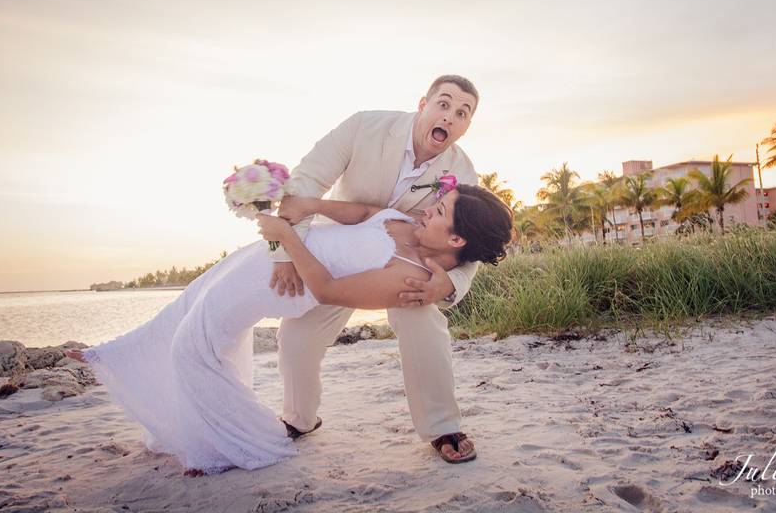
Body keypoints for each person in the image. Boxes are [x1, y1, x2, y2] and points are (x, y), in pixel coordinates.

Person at [67, 185, 513, 474]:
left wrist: (287, 235)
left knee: (193, 349)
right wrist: (303, 211)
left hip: (282, 281)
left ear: (456, 241)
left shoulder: (408, 277)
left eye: (437, 212)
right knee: (191, 300)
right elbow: (361, 210)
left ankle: (234, 446)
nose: (425, 212)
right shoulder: (404, 224)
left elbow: (328, 288)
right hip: (269, 256)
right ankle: (117, 352)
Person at [273, 75, 484, 463]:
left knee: (425, 324)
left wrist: (449, 284)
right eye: (443, 104)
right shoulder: (364, 126)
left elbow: (472, 242)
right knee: (296, 337)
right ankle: (299, 418)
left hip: (403, 263)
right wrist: (283, 252)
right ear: (423, 103)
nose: (449, 116)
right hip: (340, 252)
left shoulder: (463, 173)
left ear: (467, 125)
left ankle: (442, 426)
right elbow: (306, 182)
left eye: (462, 113)